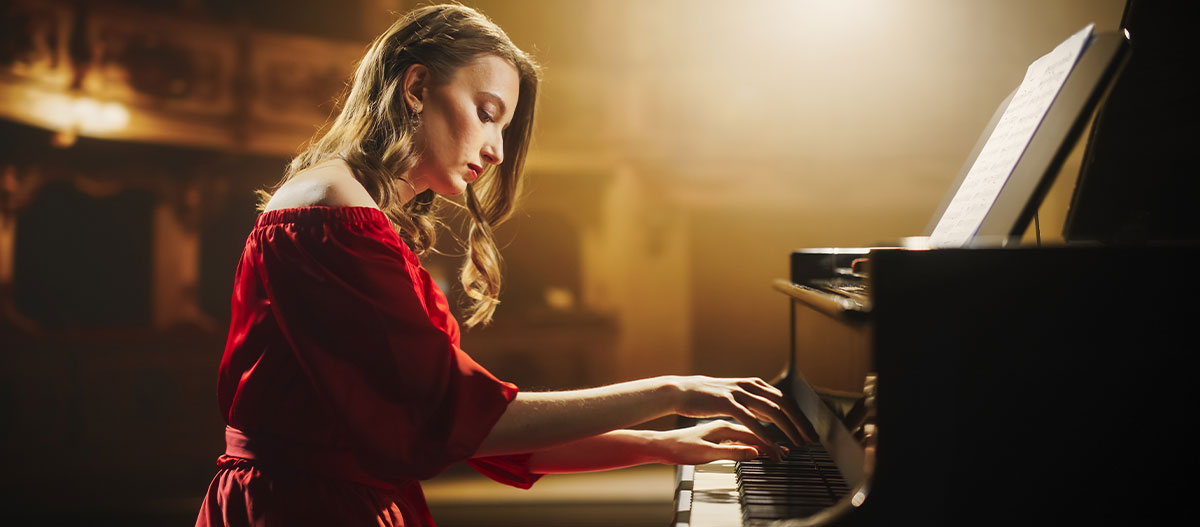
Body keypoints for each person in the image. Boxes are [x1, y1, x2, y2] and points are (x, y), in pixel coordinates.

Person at [196, 4, 811, 526]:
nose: (494, 149)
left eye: (504, 126)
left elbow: (469, 428)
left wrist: (663, 443)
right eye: (487, 112)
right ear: (415, 88)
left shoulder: (351, 209)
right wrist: (674, 390)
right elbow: (457, 419)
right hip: (299, 509)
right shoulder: (331, 210)